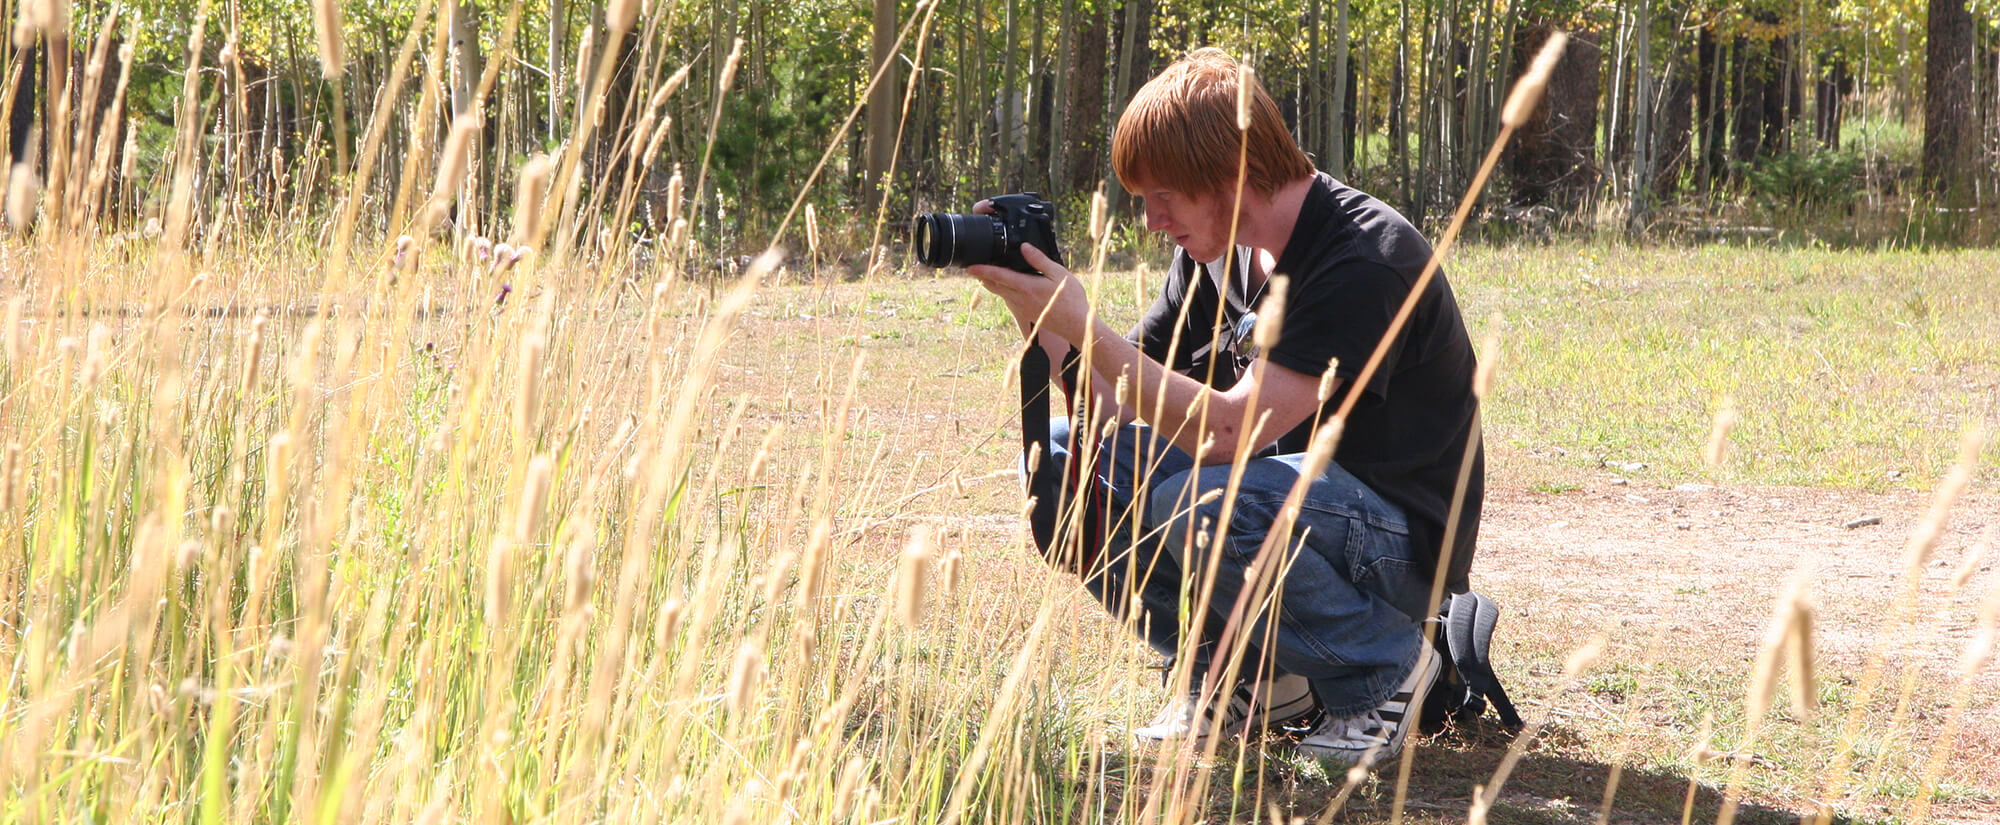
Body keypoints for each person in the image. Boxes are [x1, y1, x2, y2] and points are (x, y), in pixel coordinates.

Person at [965, 48, 1483, 768]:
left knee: (1203, 500)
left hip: (1395, 548)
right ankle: (1250, 678)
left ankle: (1387, 666)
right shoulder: (1220, 255)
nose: (1151, 220)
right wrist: (1036, 311)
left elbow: (1233, 429)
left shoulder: (1362, 258)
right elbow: (1110, 400)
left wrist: (1085, 324)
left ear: (1230, 171)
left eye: (1164, 195)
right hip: (1286, 509)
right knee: (1060, 459)